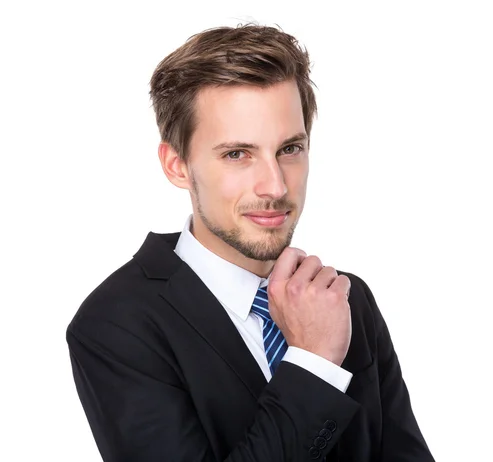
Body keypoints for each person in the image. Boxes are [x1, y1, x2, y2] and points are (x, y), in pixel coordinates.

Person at [66, 24, 434, 462]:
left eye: (290, 149)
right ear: (177, 165)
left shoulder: (343, 298)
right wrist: (314, 362)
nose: (276, 185)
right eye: (237, 154)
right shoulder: (115, 324)